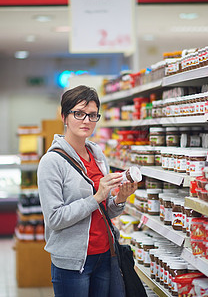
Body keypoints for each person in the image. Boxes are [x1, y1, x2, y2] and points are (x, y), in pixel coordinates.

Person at [37, 85, 137, 297]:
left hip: (104, 254)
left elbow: (105, 210)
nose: (86, 121)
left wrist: (120, 198)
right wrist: (97, 197)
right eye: (79, 114)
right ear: (65, 117)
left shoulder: (97, 153)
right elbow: (54, 218)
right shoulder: (51, 162)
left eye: (92, 115)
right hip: (73, 263)